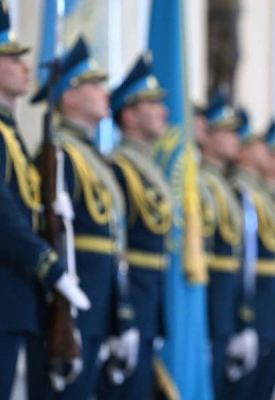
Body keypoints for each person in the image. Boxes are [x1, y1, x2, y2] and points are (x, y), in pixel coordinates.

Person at [0, 1, 90, 399]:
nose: (25, 67)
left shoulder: (9, 134)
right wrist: (50, 266)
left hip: (12, 293)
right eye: (13, 60)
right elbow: (0, 214)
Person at [31, 37, 136, 399]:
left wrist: (118, 314)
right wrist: (62, 311)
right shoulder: (59, 152)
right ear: (70, 96)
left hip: (96, 305)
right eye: (92, 84)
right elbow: (54, 234)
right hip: (71, 306)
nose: (104, 92)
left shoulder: (90, 155)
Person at [97, 52, 173, 400]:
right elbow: (117, 250)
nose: (163, 111)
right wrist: (122, 316)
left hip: (148, 305)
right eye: (152, 103)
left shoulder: (147, 171)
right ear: (128, 115)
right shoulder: (116, 170)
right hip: (126, 307)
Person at [198, 95, 258, 400]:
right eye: (226, 130)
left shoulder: (223, 187)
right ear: (205, 134)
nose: (235, 137)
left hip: (227, 312)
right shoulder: (203, 184)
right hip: (211, 312)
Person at [231, 109, 275, 400]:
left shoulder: (263, 195)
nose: (266, 150)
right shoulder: (242, 192)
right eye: (258, 144)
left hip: (272, 305)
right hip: (256, 305)